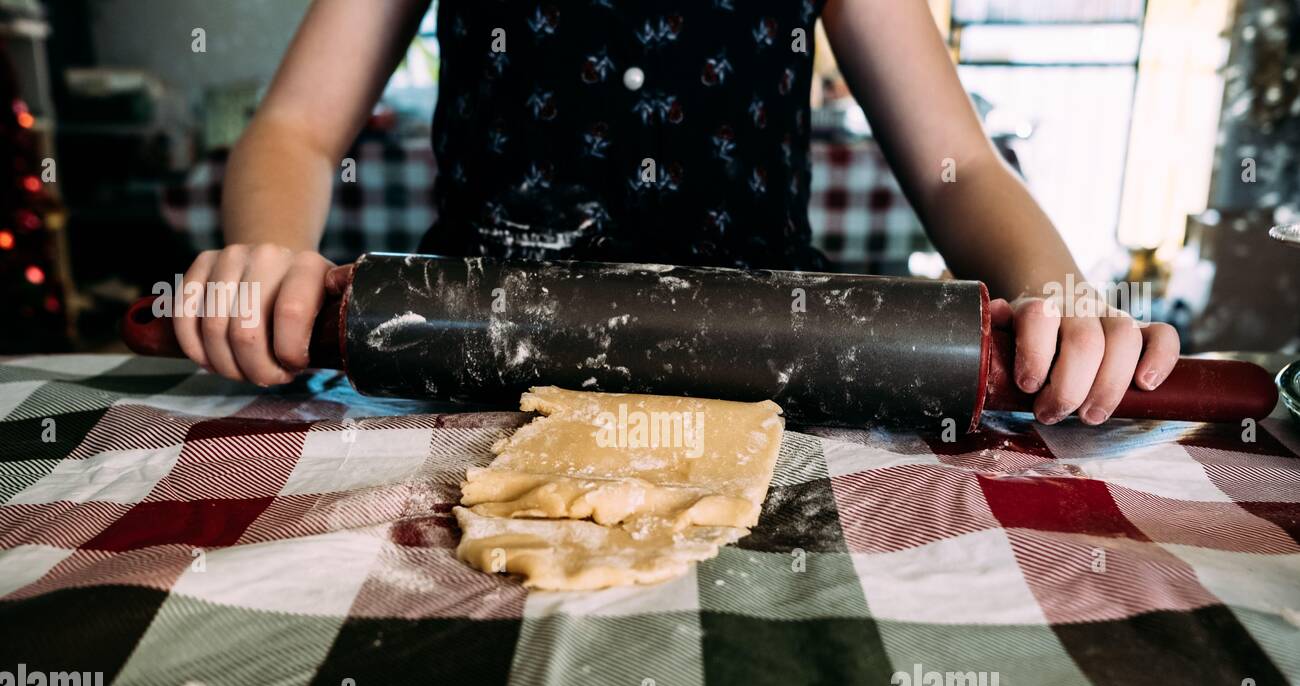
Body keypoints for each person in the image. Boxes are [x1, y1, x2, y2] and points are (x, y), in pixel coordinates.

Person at [173, 0, 1180, 427]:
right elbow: (298, 128)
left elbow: (959, 162)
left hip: (783, 374)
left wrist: (1059, 301)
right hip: (466, 362)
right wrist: (269, 252)